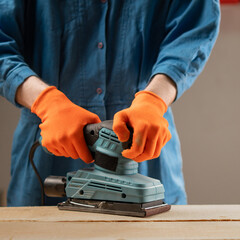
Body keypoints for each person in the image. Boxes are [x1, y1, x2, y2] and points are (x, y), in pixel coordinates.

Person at [0, 0, 220, 206]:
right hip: (48, 158)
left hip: (146, 146)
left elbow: (193, 29)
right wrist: (46, 102)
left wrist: (154, 99)